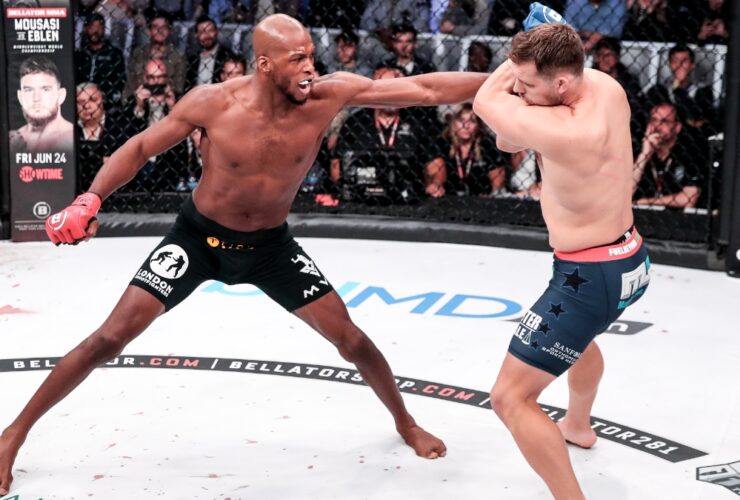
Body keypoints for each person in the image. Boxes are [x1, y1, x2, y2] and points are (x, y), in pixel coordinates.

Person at [0, 13, 489, 495]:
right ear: (265, 64)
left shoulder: (328, 95)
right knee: (108, 338)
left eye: (311, 56)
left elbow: (425, 89)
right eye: (297, 59)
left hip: (269, 248)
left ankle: (405, 422)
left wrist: (504, 80)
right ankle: (13, 434)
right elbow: (142, 147)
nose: (310, 68)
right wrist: (91, 198)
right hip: (197, 241)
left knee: (353, 340)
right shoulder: (213, 103)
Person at [473, 16, 650, 500]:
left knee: (510, 398)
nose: (519, 90)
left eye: (527, 84)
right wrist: (545, 40)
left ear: (561, 84)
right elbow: (511, 134)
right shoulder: (606, 87)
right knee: (579, 340)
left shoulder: (563, 130)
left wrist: (513, 68)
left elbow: (486, 103)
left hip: (589, 277)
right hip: (630, 258)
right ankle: (578, 424)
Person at [424, 103, 510, 198]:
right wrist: (436, 184)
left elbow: (498, 177)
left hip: (480, 198)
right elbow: (436, 167)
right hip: (448, 197)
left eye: (472, 121)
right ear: (453, 122)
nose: (466, 125)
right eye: (461, 120)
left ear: (478, 125)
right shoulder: (443, 141)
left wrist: (494, 194)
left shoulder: (487, 144)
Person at [632, 102, 707, 208]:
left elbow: (688, 199)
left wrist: (644, 202)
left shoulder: (690, 153)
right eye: (654, 120)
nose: (657, 126)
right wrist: (644, 155)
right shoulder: (639, 148)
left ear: (677, 127)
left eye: (664, 121)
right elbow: (624, 194)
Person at [10, 55, 74, 154]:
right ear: (20, 97)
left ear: (61, 95)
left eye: (45, 89)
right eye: (29, 90)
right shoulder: (13, 139)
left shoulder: (72, 137)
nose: (36, 98)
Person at [75, 13, 127, 109]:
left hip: (106, 103)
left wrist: (107, 97)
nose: (96, 31)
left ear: (104, 29)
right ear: (85, 29)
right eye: (92, 27)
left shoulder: (114, 54)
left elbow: (120, 82)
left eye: (99, 27)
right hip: (80, 100)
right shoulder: (79, 54)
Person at [184, 15, 235, 92]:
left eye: (210, 30)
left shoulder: (226, 56)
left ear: (216, 32)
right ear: (196, 35)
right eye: (202, 31)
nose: (206, 35)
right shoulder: (192, 60)